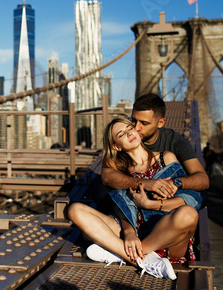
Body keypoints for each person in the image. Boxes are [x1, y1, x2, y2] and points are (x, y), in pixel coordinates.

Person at [68, 117, 202, 280]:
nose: (128, 133)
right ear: (117, 146)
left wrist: (151, 204)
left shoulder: (166, 158)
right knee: (75, 210)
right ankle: (144, 259)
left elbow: (193, 198)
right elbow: (121, 205)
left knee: (188, 214)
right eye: (121, 134)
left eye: (128, 128)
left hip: (165, 232)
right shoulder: (122, 172)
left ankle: (125, 253)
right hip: (135, 228)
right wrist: (129, 232)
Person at [101, 93, 209, 201]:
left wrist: (173, 183)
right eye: (133, 120)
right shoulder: (127, 143)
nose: (136, 128)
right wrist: (146, 184)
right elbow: (107, 176)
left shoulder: (174, 141)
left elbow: (203, 179)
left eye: (144, 123)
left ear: (160, 123)